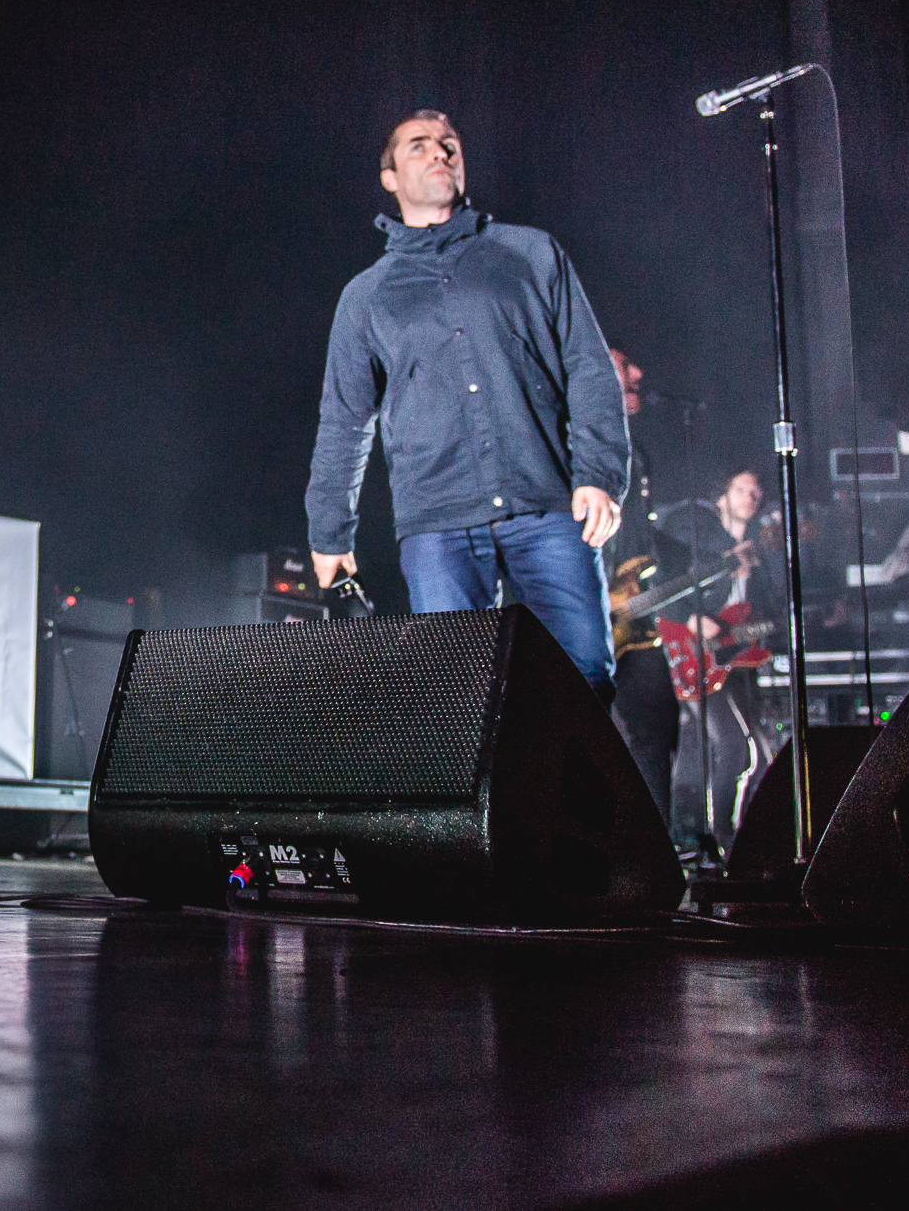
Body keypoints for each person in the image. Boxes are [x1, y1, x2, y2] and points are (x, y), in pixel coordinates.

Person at [306, 109, 630, 699]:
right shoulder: (366, 296)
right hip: (439, 520)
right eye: (419, 146)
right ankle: (493, 797)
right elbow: (345, 420)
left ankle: (567, 794)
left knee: (582, 676)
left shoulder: (530, 253)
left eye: (449, 145)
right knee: (458, 696)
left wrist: (599, 474)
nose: (439, 154)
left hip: (548, 505)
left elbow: (587, 365)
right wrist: (331, 533)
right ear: (390, 177)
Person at [670, 467, 785, 854]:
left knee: (761, 759)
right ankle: (720, 838)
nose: (749, 498)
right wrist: (690, 617)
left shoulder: (758, 557)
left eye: (756, 492)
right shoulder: (699, 539)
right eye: (741, 489)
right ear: (723, 495)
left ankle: (736, 839)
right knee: (735, 749)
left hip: (731, 667)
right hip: (691, 659)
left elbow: (759, 620)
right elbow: (666, 589)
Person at [603, 345, 679, 808]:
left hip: (633, 612)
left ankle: (657, 854)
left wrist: (707, 560)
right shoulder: (572, 442)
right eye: (623, 365)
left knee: (657, 723)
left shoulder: (636, 454)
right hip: (590, 611)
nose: (639, 371)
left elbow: (640, 541)